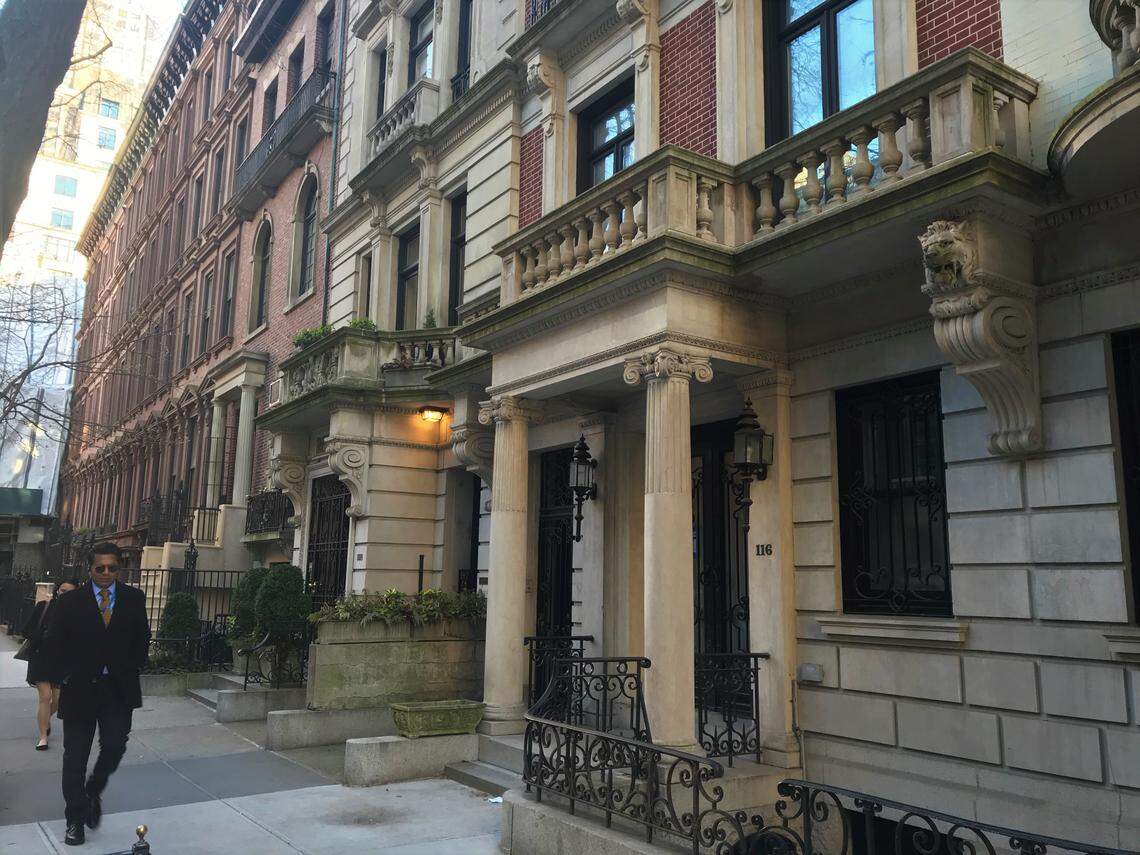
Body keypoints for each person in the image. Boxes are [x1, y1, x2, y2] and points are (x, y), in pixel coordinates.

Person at [44, 542, 150, 847]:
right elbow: (55, 643)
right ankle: (75, 819)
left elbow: (142, 638)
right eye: (99, 568)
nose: (106, 574)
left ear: (120, 568)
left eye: (112, 568)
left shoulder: (133, 598)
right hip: (80, 689)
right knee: (74, 758)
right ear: (89, 569)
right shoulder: (70, 602)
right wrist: (65, 675)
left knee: (115, 745)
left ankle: (93, 790)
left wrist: (131, 666)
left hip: (117, 689)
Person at [22, 579, 79, 749]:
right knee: (45, 697)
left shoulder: (76, 614)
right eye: (62, 590)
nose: (64, 594)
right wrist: (43, 635)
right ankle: (42, 737)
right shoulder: (44, 607)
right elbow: (26, 630)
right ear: (57, 591)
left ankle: (45, 720)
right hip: (40, 658)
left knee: (58, 700)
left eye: (69, 592)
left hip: (61, 661)